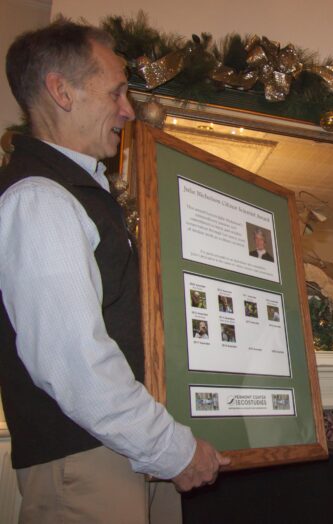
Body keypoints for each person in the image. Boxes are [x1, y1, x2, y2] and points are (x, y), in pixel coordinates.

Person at [0, 20, 229, 522]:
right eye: (116, 92)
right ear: (62, 91)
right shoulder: (39, 198)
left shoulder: (80, 191)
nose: (128, 110)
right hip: (86, 463)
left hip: (124, 449)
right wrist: (172, 448)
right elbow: (73, 361)